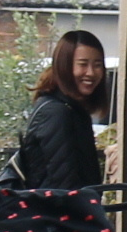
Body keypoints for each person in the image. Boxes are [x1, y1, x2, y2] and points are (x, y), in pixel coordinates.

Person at [13, 29, 109, 192]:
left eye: (98, 65)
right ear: (64, 66)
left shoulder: (71, 110)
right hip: (56, 215)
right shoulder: (57, 112)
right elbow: (64, 186)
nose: (91, 73)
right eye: (83, 64)